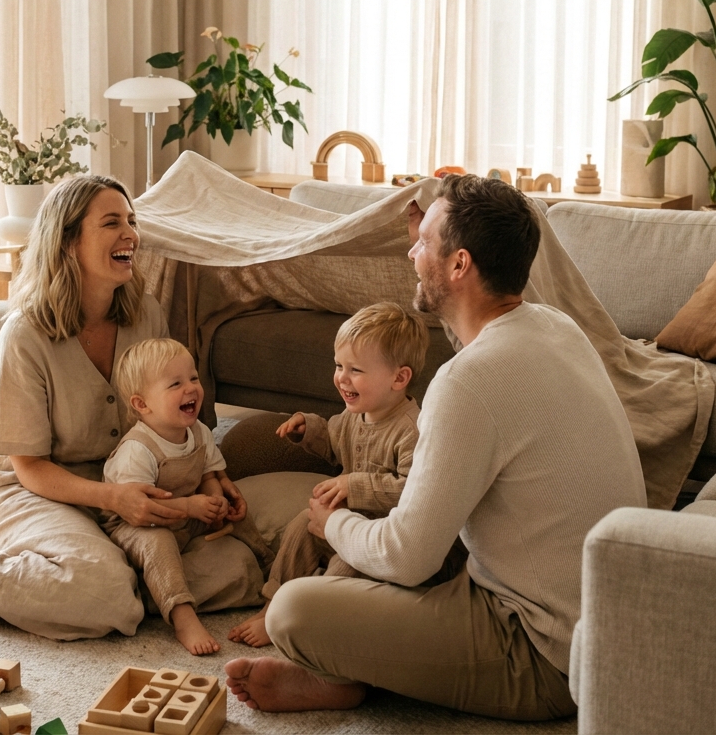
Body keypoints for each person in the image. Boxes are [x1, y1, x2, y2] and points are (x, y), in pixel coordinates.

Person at [226, 174, 647, 720]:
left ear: (459, 265)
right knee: (383, 567)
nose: (410, 250)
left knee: (293, 610)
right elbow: (477, 354)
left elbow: (405, 556)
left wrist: (332, 525)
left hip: (541, 653)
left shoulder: (467, 382)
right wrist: (429, 240)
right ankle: (353, 667)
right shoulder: (553, 327)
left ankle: (344, 676)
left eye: (423, 241)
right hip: (593, 624)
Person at [0, 175, 263, 639]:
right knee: (106, 594)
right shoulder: (23, 336)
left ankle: (23, 594)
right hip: (33, 489)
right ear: (67, 242)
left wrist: (212, 476)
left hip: (128, 482)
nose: (131, 234)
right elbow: (29, 468)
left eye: (132, 221)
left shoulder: (146, 314)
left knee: (243, 566)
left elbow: (169, 421)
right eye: (111, 223)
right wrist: (113, 499)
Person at [228, 302, 426, 648]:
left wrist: (353, 484)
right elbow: (334, 440)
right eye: (339, 366)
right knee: (301, 526)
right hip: (343, 519)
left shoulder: (411, 429)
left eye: (356, 370)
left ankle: (314, 631)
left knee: (343, 575)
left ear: (399, 378)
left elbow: (413, 490)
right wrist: (307, 429)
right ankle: (272, 605)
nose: (342, 378)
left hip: (379, 541)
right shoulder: (356, 413)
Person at [103, 337, 274, 655]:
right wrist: (190, 506)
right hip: (138, 526)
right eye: (175, 384)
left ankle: (271, 568)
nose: (191, 388)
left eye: (194, 378)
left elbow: (209, 475)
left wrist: (214, 500)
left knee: (239, 515)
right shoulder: (137, 450)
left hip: (187, 516)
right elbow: (141, 507)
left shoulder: (200, 432)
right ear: (142, 404)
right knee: (158, 542)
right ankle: (181, 615)